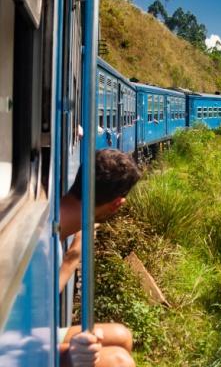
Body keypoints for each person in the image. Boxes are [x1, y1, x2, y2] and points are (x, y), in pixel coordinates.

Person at [58, 149, 141, 367]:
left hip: (30, 332)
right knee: (118, 362)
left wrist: (74, 255)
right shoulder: (39, 240)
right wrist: (66, 357)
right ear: (117, 204)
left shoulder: (54, 219)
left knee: (121, 335)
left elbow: (43, 298)